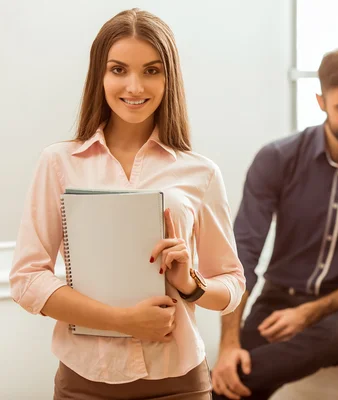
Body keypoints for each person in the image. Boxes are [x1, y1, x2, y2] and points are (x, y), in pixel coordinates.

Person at [9, 8, 245, 400]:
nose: (134, 86)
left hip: (180, 384)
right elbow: (27, 279)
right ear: (99, 75)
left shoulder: (200, 173)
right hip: (83, 383)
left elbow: (233, 284)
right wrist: (124, 321)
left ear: (169, 78)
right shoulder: (58, 163)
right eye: (119, 69)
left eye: (151, 70)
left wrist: (190, 284)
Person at [210, 48, 338, 400]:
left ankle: (228, 377)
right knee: (227, 385)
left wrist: (308, 314)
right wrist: (228, 344)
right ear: (321, 101)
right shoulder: (277, 158)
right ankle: (227, 376)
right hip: (277, 301)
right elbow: (244, 251)